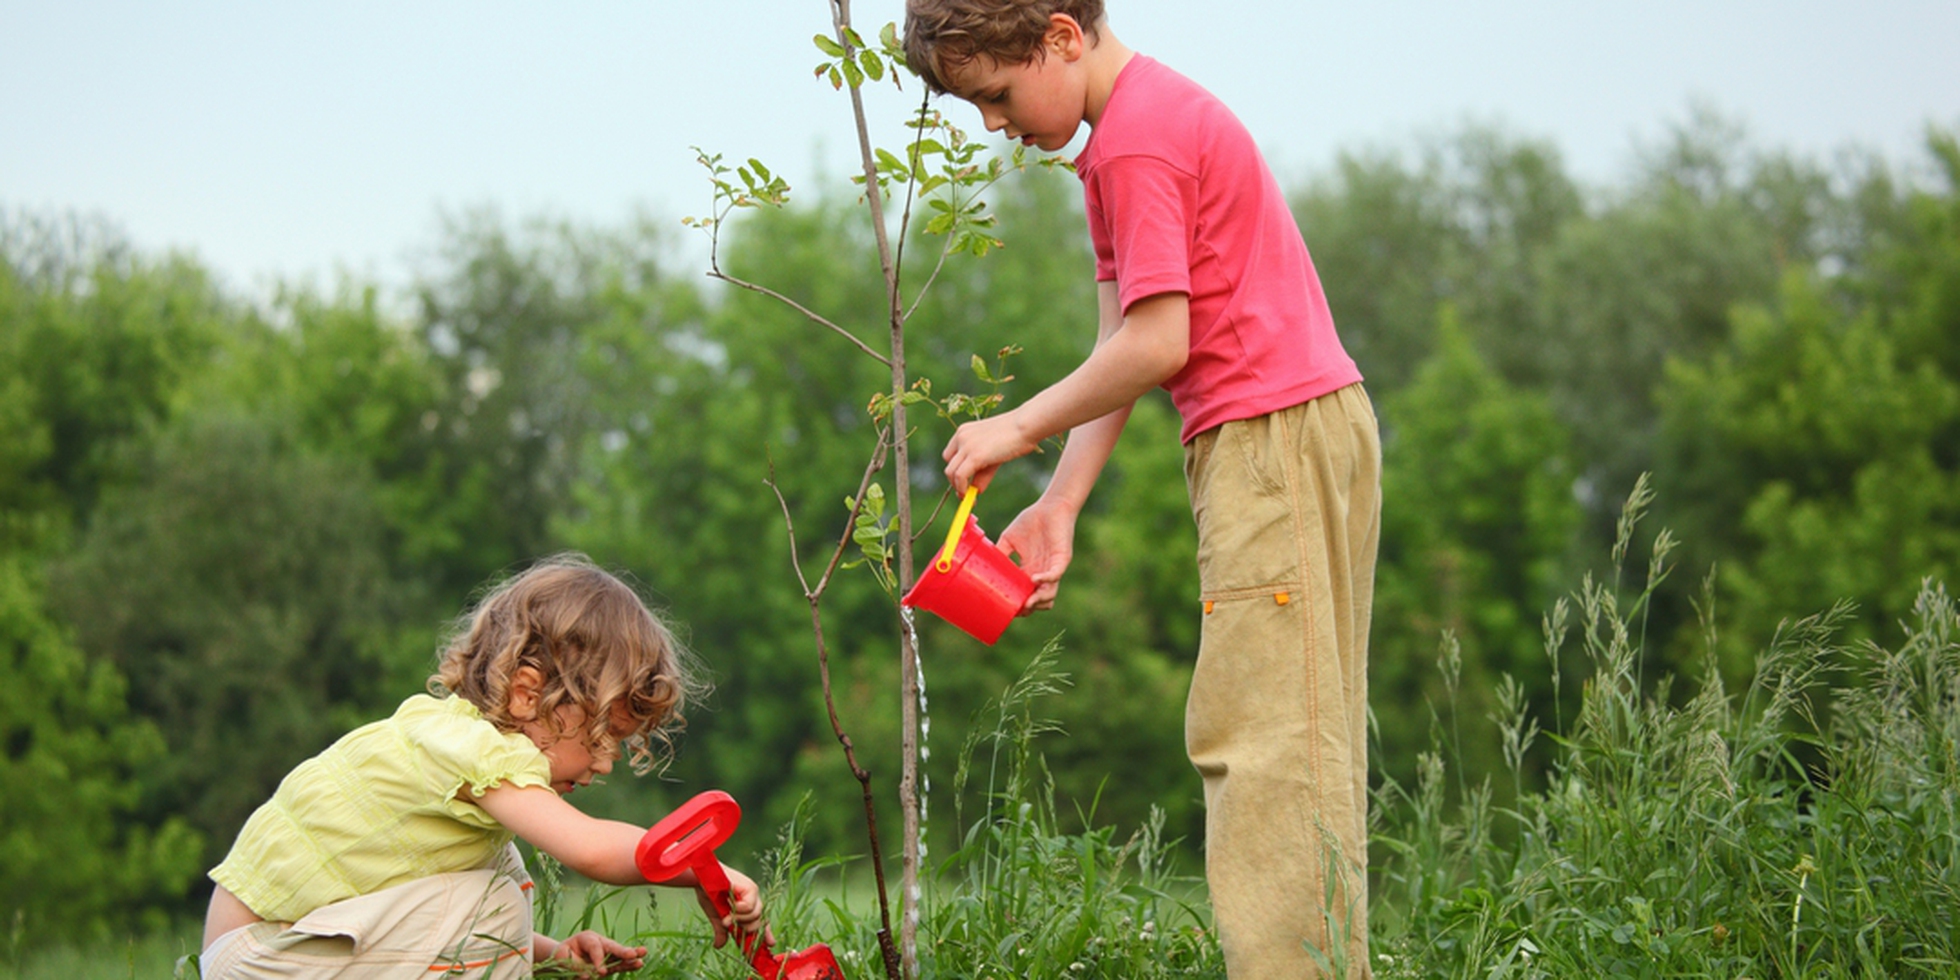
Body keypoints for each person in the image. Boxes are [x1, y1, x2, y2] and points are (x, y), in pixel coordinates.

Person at [904, 2, 1381, 977]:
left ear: (1060, 36)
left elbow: (1161, 343)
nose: (993, 124)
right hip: (1296, 429)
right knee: (1301, 736)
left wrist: (1017, 422)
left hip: (1266, 442)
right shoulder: (1128, 135)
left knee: (1264, 749)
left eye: (995, 94)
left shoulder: (1136, 145)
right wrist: (1062, 500)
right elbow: (1123, 340)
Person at [200, 553, 767, 978]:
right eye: (602, 736)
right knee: (495, 897)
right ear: (527, 695)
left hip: (268, 951)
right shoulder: (478, 751)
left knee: (498, 872)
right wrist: (704, 870)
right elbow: (591, 849)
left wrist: (549, 954)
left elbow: (415, 896)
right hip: (265, 957)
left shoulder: (446, 736)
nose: (605, 764)